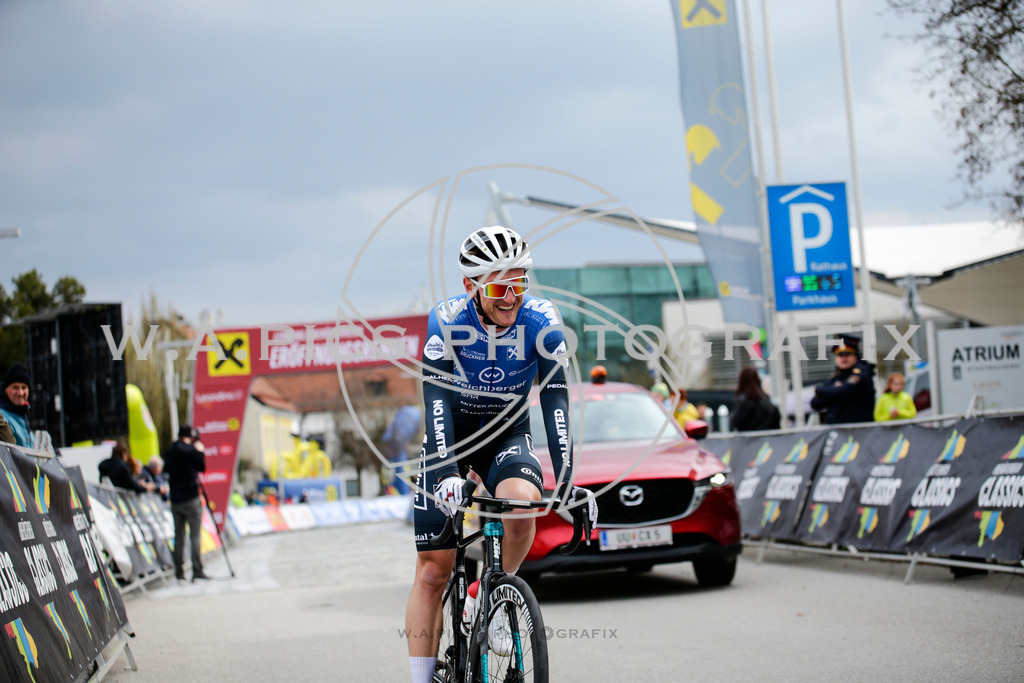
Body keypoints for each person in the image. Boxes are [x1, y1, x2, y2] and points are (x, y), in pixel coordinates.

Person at [405, 226, 597, 683]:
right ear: (472, 286)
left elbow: (554, 398)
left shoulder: (542, 319)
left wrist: (568, 480)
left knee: (522, 504)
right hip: (449, 436)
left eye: (519, 283)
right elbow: (434, 398)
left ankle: (486, 594)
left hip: (506, 433)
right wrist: (449, 472)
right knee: (434, 572)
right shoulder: (446, 319)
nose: (511, 297)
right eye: (498, 287)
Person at [163, 425, 209, 583]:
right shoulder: (191, 451)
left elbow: (166, 469)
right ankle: (197, 570)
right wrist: (200, 451)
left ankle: (179, 572)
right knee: (195, 536)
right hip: (191, 496)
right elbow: (202, 467)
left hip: (176, 499)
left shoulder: (170, 451)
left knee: (179, 536)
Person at [810, 335, 876, 424]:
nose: (844, 358)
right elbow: (815, 403)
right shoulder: (835, 378)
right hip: (836, 430)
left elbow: (843, 391)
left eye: (847, 354)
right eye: (840, 355)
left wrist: (820, 390)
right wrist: (834, 390)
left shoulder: (861, 375)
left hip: (859, 430)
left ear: (855, 356)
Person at [730, 367, 782, 432]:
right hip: (766, 440)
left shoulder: (743, 400)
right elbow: (776, 420)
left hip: (747, 440)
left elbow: (735, 422)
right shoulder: (766, 399)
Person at [0, 362, 32, 447]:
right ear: (5, 390)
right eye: (15, 387)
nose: (20, 393)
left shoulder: (24, 415)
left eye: (24, 387)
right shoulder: (2, 417)